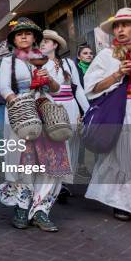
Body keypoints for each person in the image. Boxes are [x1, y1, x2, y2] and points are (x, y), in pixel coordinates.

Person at [0, 17, 69, 232]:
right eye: (19, 34)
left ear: (35, 37)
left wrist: (47, 79)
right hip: (22, 112)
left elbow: (55, 88)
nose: (23, 36)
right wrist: (18, 103)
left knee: (50, 161)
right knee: (24, 161)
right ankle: (22, 206)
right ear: (14, 40)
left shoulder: (47, 60)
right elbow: (4, 89)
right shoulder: (9, 61)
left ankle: (41, 210)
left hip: (46, 111)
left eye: (27, 33)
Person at [84, 8, 131, 221]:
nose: (120, 29)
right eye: (116, 25)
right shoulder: (106, 55)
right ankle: (121, 202)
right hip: (122, 111)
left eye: (125, 25)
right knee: (122, 157)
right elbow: (92, 87)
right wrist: (118, 74)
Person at [40, 30, 89, 196]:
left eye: (47, 41)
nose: (43, 43)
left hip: (71, 106)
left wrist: (88, 111)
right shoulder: (37, 64)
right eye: (41, 41)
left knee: (71, 143)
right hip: (51, 107)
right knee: (55, 143)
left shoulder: (68, 63)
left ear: (55, 45)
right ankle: (55, 182)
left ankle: (63, 182)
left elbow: (78, 89)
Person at [75, 44, 95, 177]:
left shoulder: (96, 69)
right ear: (79, 56)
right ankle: (80, 166)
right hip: (80, 107)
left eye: (90, 53)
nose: (89, 55)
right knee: (81, 137)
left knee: (96, 135)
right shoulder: (76, 70)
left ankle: (99, 166)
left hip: (96, 105)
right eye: (85, 53)